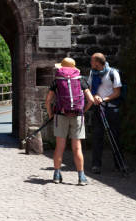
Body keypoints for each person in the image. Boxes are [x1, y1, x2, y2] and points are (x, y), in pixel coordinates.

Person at [45, 57, 94, 185]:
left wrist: (51, 114)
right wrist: (83, 110)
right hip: (77, 115)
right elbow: (91, 100)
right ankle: (81, 177)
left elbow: (48, 100)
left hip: (60, 114)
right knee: (77, 147)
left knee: (60, 146)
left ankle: (56, 175)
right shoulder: (80, 80)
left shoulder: (57, 80)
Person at [88, 52, 122, 174]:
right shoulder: (93, 73)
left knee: (114, 136)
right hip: (98, 108)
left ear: (97, 62)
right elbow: (91, 89)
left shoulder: (113, 73)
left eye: (92, 61)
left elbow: (117, 92)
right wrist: (96, 96)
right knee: (97, 137)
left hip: (111, 109)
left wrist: (104, 99)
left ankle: (119, 164)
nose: (91, 63)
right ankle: (96, 165)